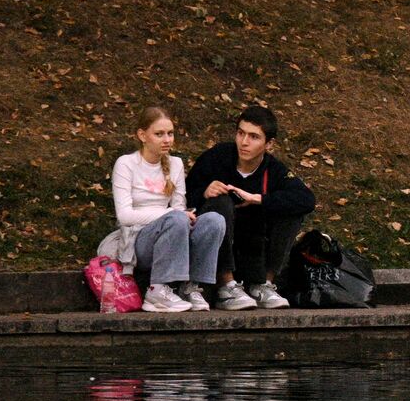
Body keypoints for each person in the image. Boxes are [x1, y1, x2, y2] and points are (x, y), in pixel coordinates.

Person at [98, 106, 225, 312]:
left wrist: (182, 216)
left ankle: (190, 287)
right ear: (142, 135)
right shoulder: (126, 164)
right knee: (176, 218)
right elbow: (125, 216)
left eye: (170, 133)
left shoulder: (175, 164)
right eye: (159, 134)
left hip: (171, 230)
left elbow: (178, 206)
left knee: (214, 220)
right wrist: (170, 215)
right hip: (137, 239)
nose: (167, 139)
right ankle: (156, 291)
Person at [187, 106, 314, 311]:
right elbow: (182, 195)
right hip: (219, 248)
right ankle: (225, 285)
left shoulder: (273, 170)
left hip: (256, 248)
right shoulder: (217, 157)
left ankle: (263, 284)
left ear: (269, 144)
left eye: (254, 137)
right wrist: (204, 192)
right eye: (241, 133)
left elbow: (306, 200)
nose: (244, 142)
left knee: (290, 210)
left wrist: (259, 199)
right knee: (222, 201)